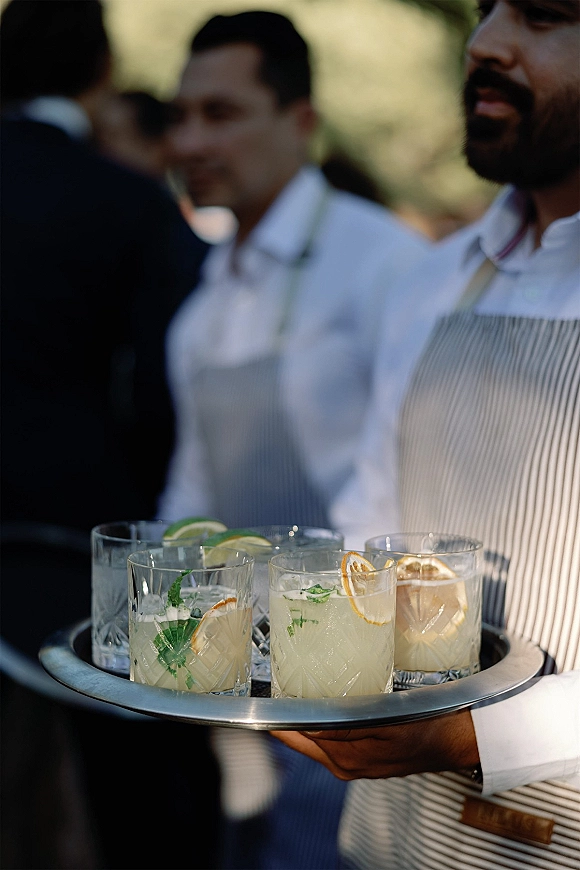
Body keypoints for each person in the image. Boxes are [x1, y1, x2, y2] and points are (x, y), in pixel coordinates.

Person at [274, 1, 580, 868]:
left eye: (546, 14)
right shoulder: (435, 280)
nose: (484, 42)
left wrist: (465, 735)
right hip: (393, 837)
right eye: (486, 10)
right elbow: (369, 524)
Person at [157, 10, 429, 868]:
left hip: (358, 683)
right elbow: (190, 496)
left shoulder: (384, 263)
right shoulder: (202, 307)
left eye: (223, 113)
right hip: (234, 679)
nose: (192, 139)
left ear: (301, 120)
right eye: (182, 115)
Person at [0, 3, 216, 868]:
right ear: (99, 71)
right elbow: (170, 394)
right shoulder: (127, 204)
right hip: (87, 545)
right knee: (139, 797)